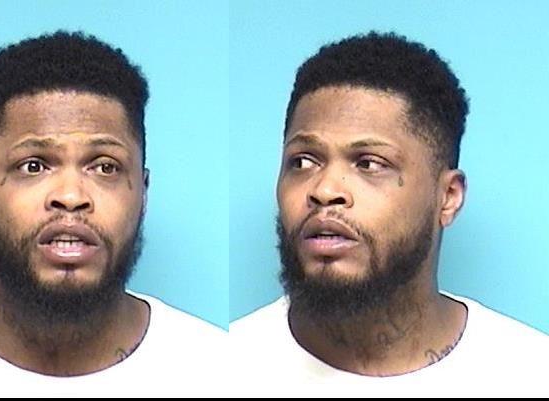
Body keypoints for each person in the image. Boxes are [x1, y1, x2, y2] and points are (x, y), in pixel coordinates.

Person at [230, 32, 549, 397]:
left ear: (447, 197)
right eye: (303, 161)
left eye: (369, 163)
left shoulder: (532, 374)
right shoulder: (224, 368)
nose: (325, 189)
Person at [0, 31, 223, 397]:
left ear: (143, 192)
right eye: (33, 166)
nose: (71, 196)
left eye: (105, 167)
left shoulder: (218, 371)